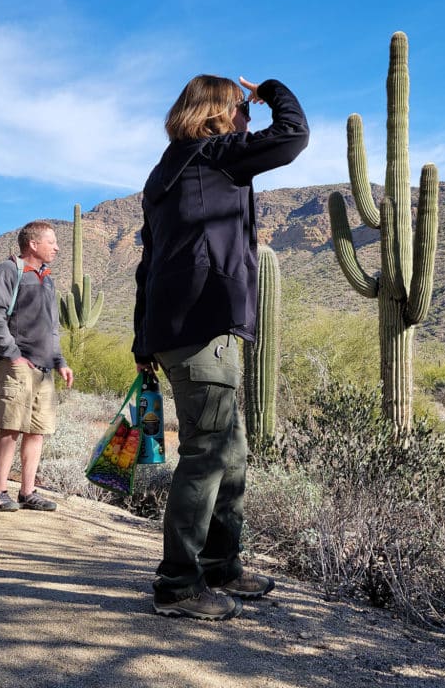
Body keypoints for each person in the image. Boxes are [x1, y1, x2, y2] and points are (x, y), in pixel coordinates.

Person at [133, 75, 309, 620]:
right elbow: (293, 136)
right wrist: (272, 90)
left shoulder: (166, 172)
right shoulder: (213, 155)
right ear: (216, 114)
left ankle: (221, 566)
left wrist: (143, 339)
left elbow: (148, 263)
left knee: (231, 454)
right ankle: (179, 585)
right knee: (208, 455)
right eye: (241, 111)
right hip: (202, 327)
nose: (247, 121)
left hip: (179, 328)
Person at [0, 221, 74, 513]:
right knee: (11, 427)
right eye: (52, 242)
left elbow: (53, 327)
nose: (57, 247)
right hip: (17, 364)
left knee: (37, 431)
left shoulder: (47, 278)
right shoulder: (9, 271)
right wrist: (13, 354)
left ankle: (28, 491)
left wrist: (59, 360)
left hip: (44, 368)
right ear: (33, 244)